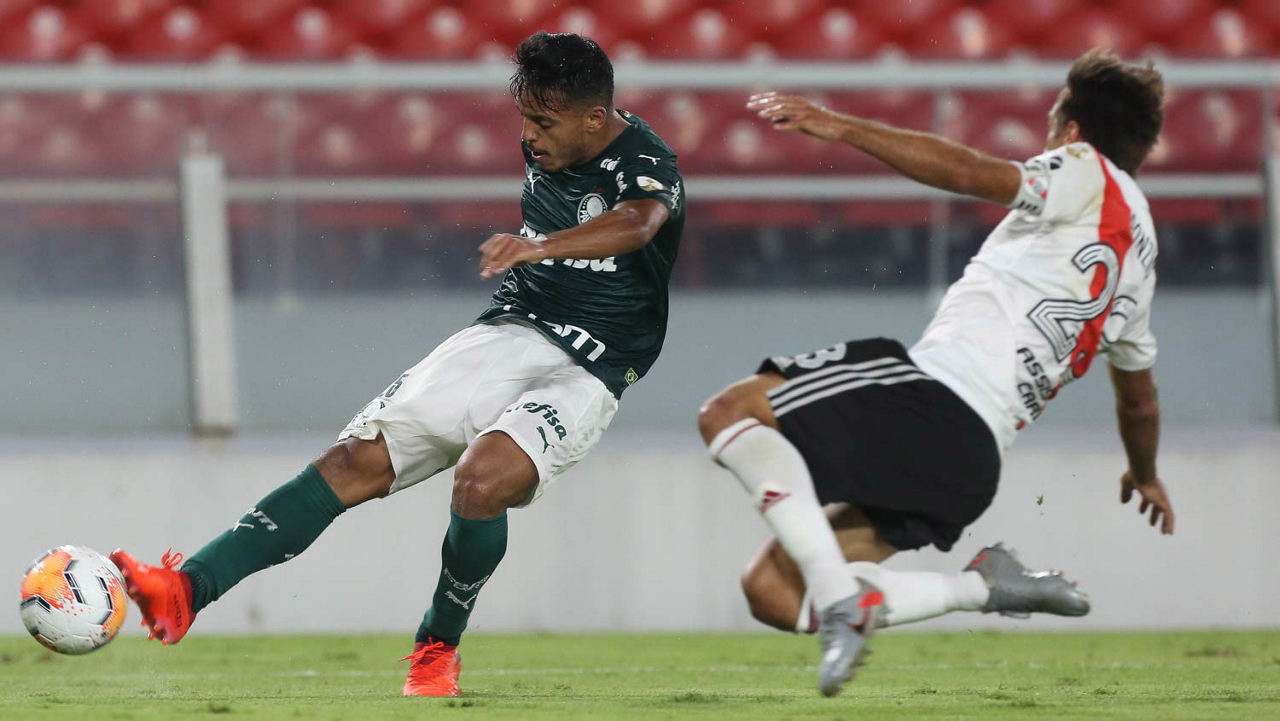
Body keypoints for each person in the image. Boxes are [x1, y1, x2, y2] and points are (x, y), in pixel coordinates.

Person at [109, 31, 685, 698]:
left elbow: (638, 224)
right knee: (354, 460)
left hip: (593, 363)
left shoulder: (648, 162)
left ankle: (436, 647)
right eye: (524, 118)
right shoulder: (551, 136)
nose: (530, 137)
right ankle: (186, 589)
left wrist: (539, 247)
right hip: (513, 328)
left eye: (544, 123)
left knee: (481, 480)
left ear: (594, 117)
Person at [697, 49, 1172, 697]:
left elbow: (975, 172)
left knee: (728, 412)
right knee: (774, 592)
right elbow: (1139, 402)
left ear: (1070, 133)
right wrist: (1145, 474)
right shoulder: (1142, 260)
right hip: (970, 463)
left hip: (932, 399)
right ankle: (982, 587)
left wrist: (845, 127)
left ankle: (843, 604)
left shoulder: (1084, 169)